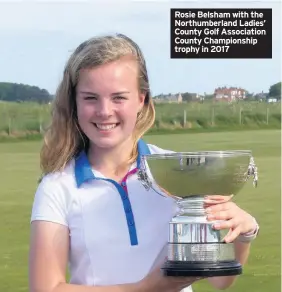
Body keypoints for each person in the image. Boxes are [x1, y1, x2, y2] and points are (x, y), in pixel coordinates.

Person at [28, 33, 259, 292]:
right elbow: (45, 288)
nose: (105, 111)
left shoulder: (178, 172)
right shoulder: (57, 186)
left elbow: (220, 279)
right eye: (90, 97)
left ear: (141, 99)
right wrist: (148, 287)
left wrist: (243, 234)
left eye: (119, 97)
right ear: (75, 102)